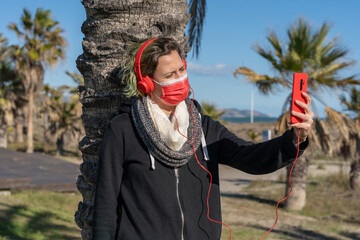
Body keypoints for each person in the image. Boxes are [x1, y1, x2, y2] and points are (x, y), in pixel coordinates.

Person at [92, 37, 314, 240]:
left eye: (181, 70)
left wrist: (294, 140)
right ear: (147, 84)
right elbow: (106, 204)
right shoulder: (123, 129)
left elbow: (251, 157)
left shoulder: (205, 127)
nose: (180, 79)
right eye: (169, 75)